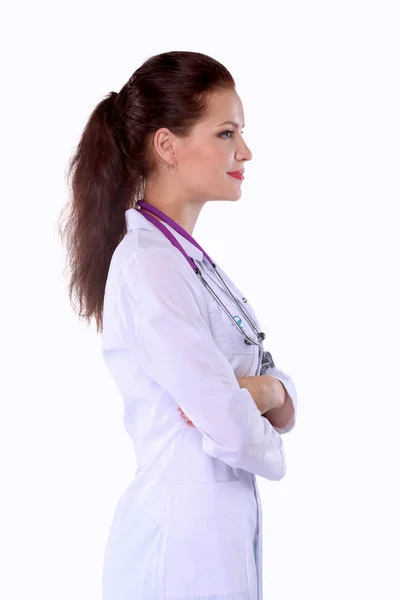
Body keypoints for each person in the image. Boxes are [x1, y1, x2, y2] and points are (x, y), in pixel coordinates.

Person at [59, 50, 297, 600]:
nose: (245, 151)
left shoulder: (186, 260)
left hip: (214, 529)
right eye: (225, 133)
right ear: (167, 145)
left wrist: (260, 390)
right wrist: (251, 399)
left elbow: (254, 394)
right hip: (177, 547)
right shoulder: (147, 265)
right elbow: (230, 423)